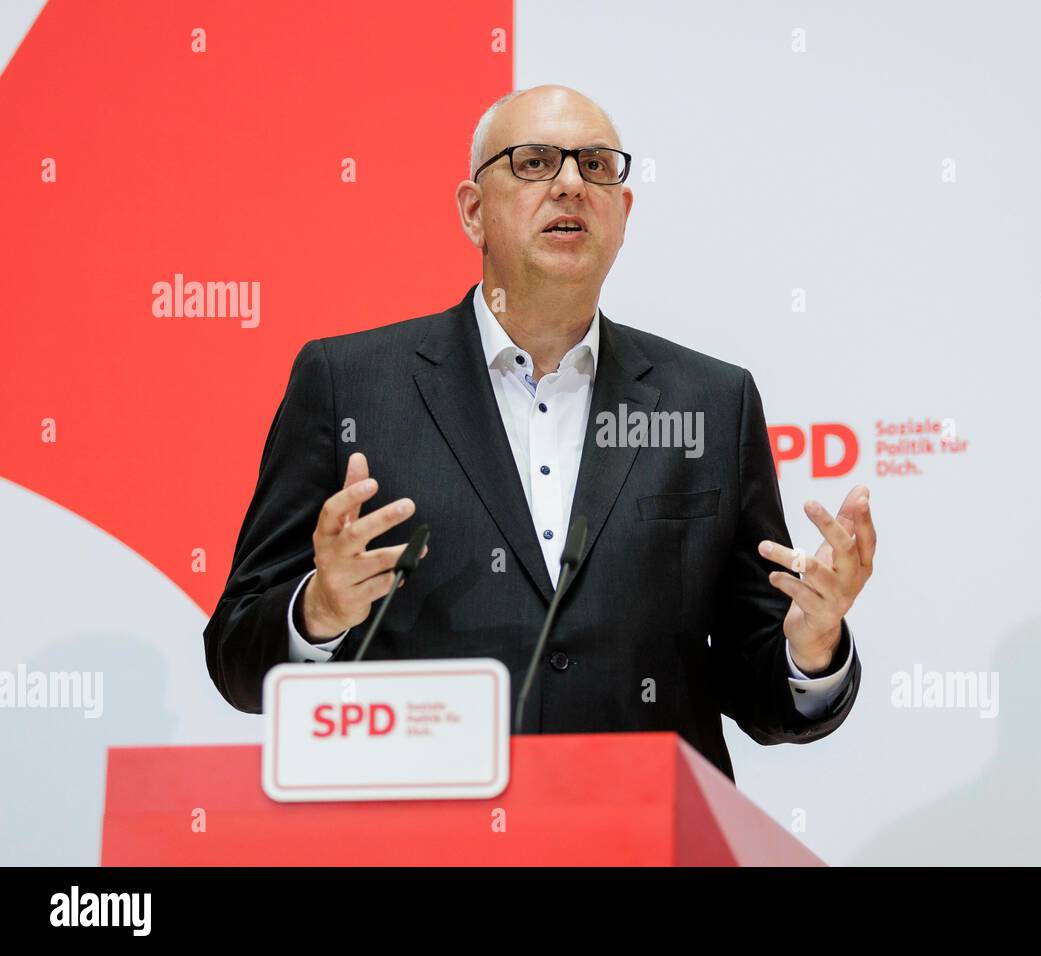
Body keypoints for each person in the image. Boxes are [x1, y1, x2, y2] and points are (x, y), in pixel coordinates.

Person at [203, 85, 876, 782]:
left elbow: (760, 687)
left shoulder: (711, 401)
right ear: (473, 211)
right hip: (421, 835)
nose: (569, 184)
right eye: (533, 163)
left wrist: (811, 644)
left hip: (647, 840)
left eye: (596, 166)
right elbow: (236, 659)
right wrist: (318, 609)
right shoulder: (348, 383)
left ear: (624, 213)